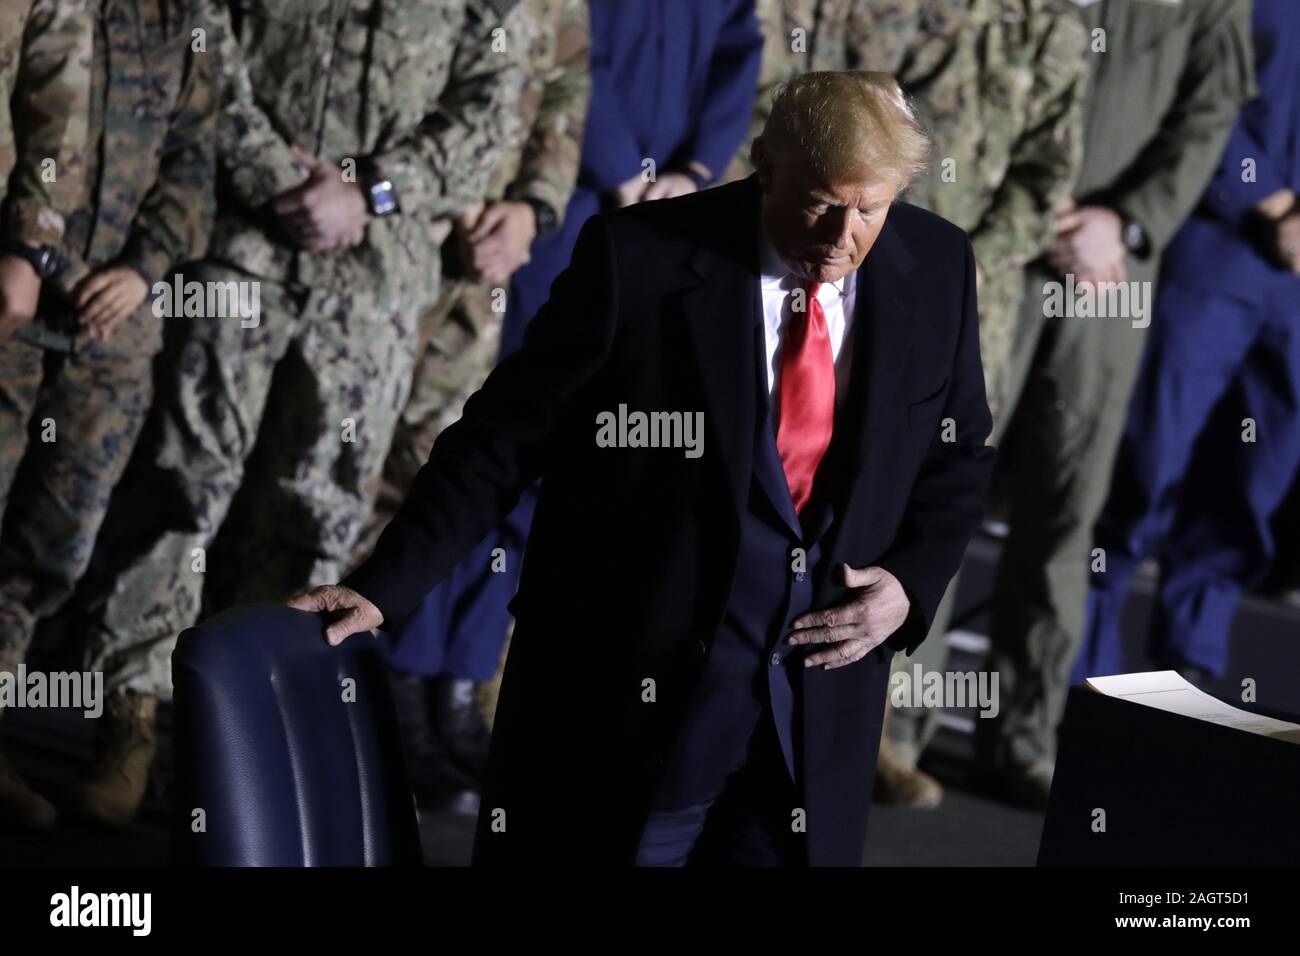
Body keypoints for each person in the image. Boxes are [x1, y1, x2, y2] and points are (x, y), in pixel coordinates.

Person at [291, 71, 995, 867]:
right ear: (767, 164)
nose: (842, 236)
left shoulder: (935, 267)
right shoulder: (641, 261)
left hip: (810, 729)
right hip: (624, 716)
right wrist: (383, 585)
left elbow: (958, 454)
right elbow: (502, 437)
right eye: (821, 203)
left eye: (870, 208)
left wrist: (908, 584)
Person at [71, 0, 529, 826]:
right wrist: (277, 178)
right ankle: (128, 726)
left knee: (318, 515)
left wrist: (371, 191)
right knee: (181, 489)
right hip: (245, 245)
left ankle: (251, 745)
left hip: (376, 277)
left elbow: (491, 110)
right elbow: (205, 43)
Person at [367, 0, 762, 807]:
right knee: (501, 442)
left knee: (565, 468)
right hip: (577, 201)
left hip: (665, 212)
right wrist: (622, 168)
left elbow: (737, 45)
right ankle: (403, 681)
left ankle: (462, 679)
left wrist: (694, 173)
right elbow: (572, 50)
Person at [980, 0, 1255, 806]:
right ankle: (894, 727)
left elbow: (1211, 112)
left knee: (1067, 506)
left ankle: (1023, 736)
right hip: (998, 238)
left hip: (1108, 270)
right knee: (944, 477)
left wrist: (1129, 221)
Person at [357, 0, 592, 807]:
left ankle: (401, 700)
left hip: (483, 269)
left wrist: (533, 206)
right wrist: (435, 194)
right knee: (337, 483)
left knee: (437, 478)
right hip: (382, 242)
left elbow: (564, 83)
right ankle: (334, 711)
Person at [0, 0, 215, 829]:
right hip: (18, 301)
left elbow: (195, 160)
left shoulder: (188, 19)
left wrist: (143, 268)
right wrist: (32, 251)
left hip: (112, 327)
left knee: (48, 549)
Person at [1076, 0, 1300, 687]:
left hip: (1290, 295)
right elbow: (1203, 92)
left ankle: (1190, 681)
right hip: (1214, 254)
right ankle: (1081, 681)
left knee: (1249, 488)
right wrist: (1275, 204)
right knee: (1143, 466)